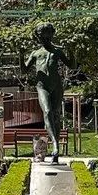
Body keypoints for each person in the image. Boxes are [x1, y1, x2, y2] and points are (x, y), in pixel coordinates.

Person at [24, 22, 70, 163]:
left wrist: (72, 51)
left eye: (47, 36)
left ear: (51, 36)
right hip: (42, 86)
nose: (44, 39)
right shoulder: (36, 53)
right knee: (47, 112)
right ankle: (55, 145)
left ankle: (55, 153)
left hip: (56, 86)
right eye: (42, 36)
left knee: (56, 115)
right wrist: (21, 56)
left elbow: (72, 65)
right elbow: (24, 70)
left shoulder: (57, 52)